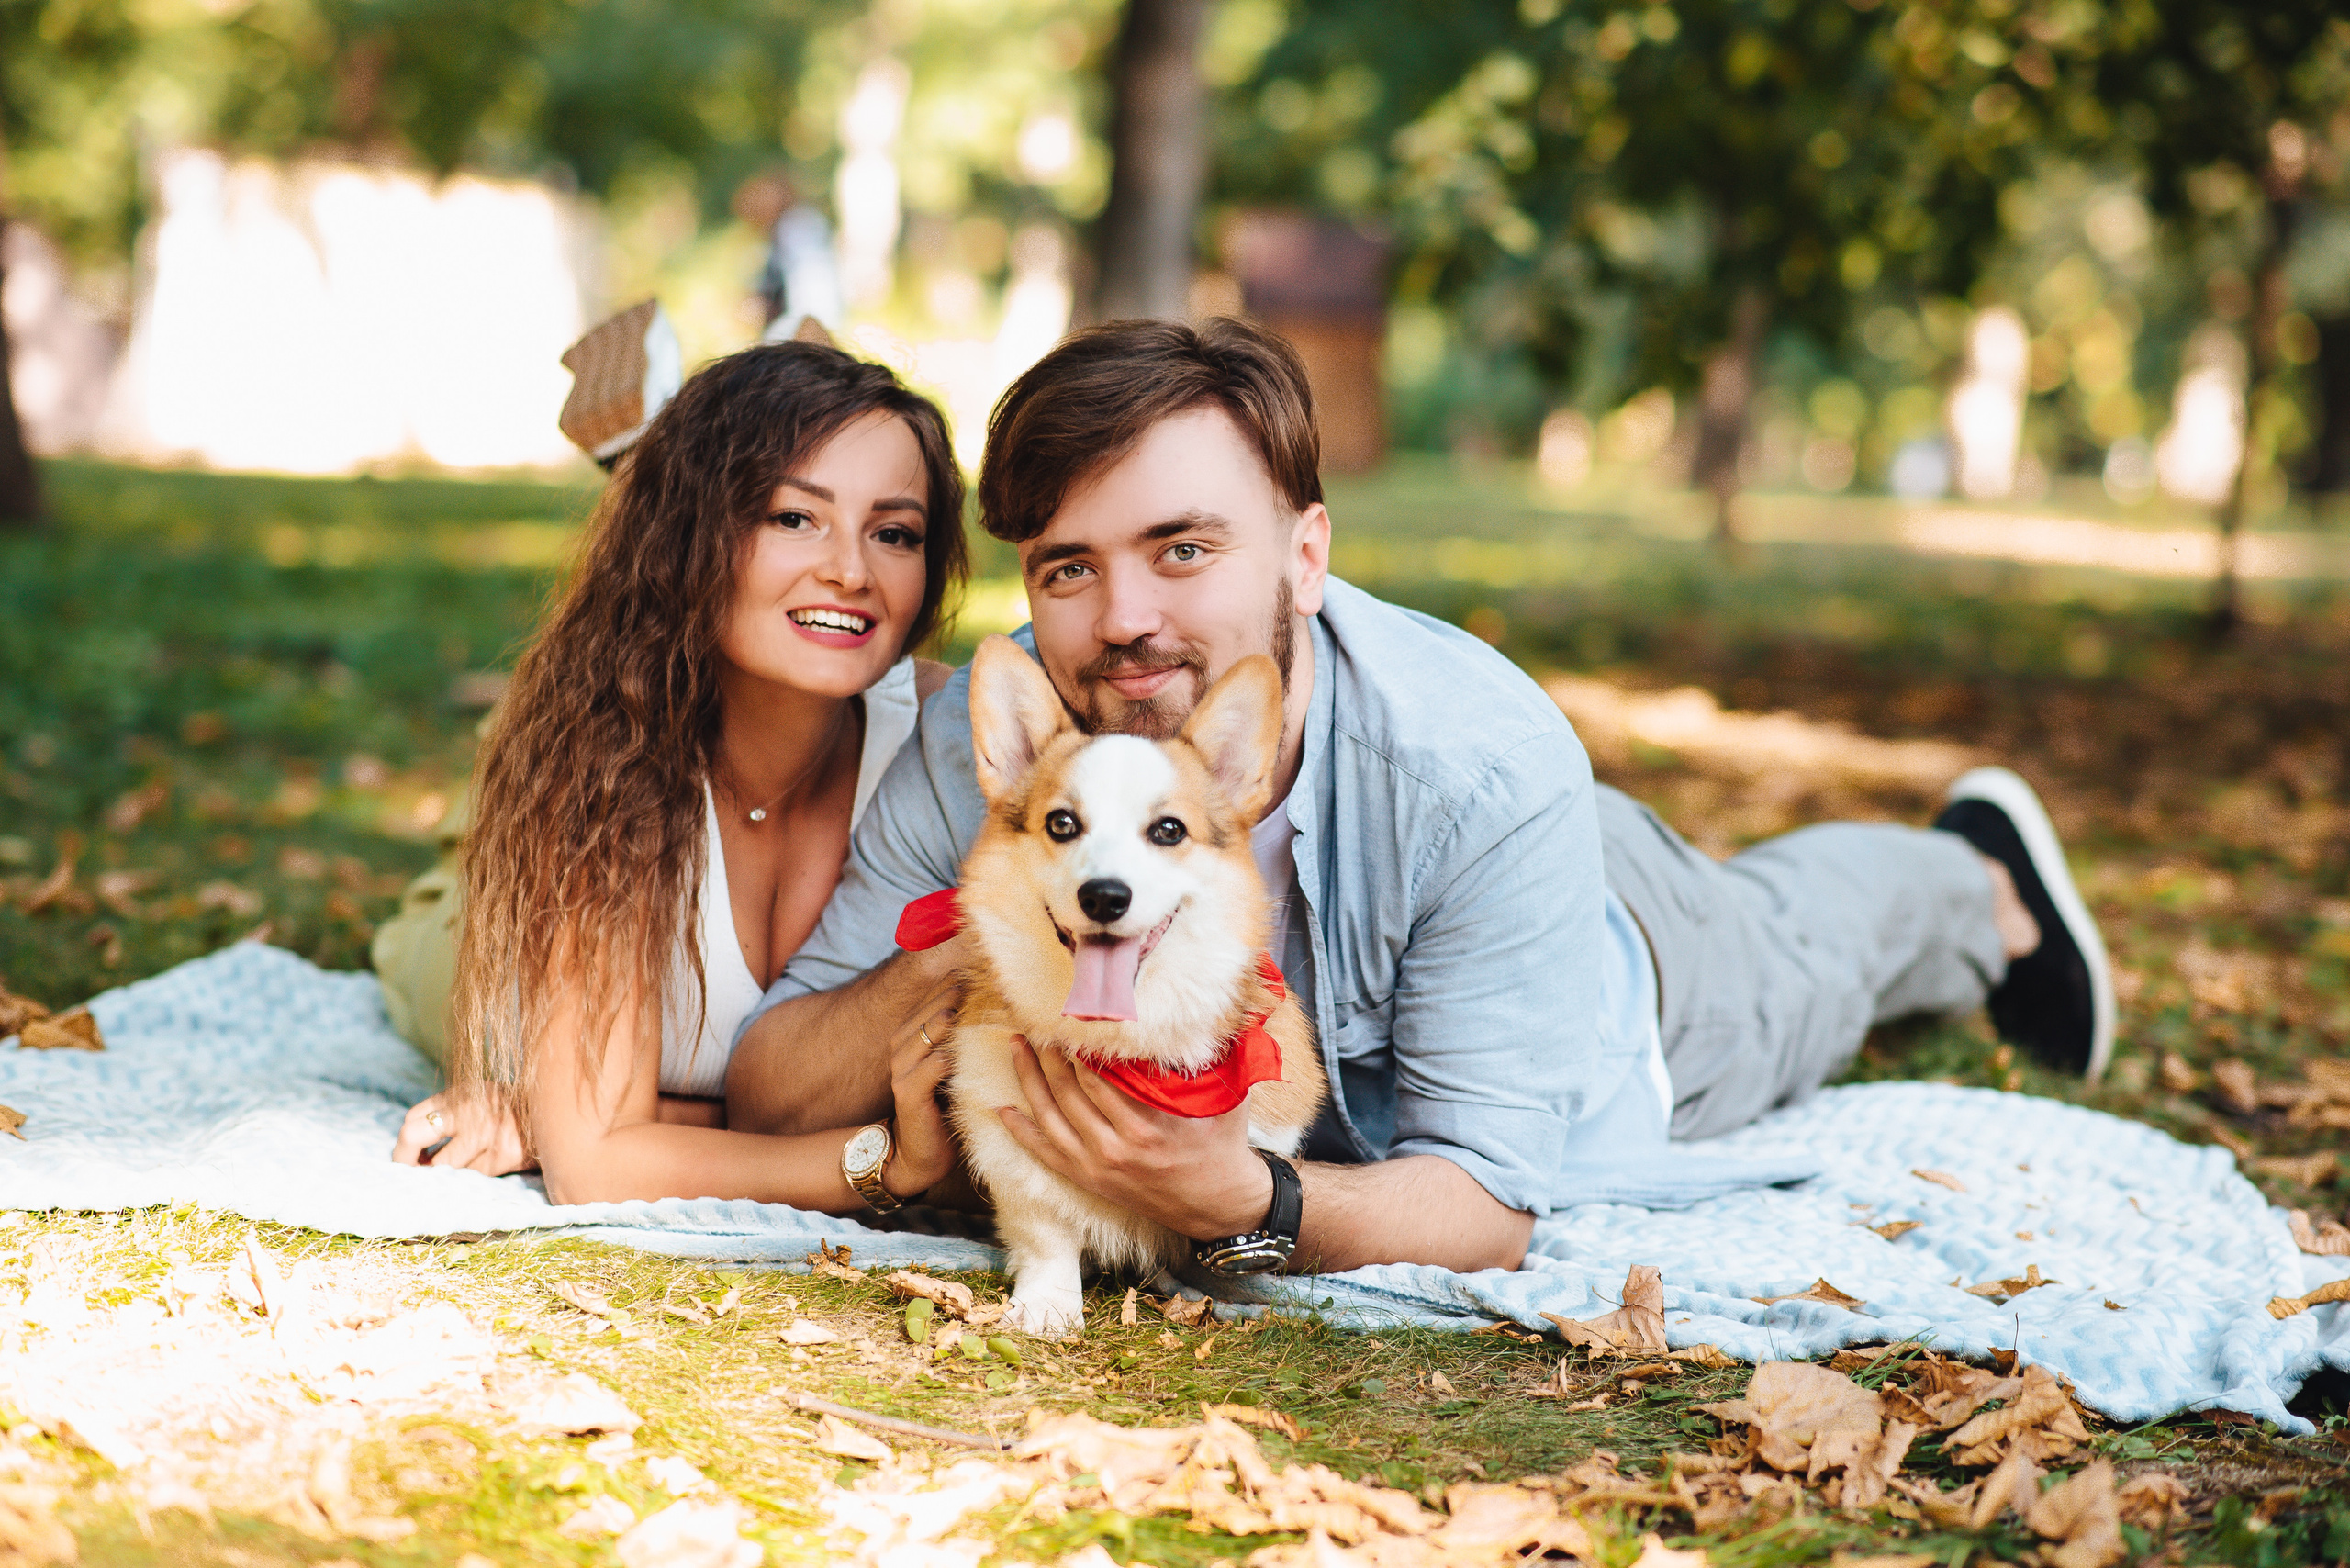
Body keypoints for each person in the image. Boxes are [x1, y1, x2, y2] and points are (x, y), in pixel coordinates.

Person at [726, 317, 2111, 1276]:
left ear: (1305, 554)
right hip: (1488, 868)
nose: (1123, 621)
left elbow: (1491, 1205)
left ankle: (1982, 880)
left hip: (1641, 981)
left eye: (1184, 548)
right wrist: (1022, 921)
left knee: (1803, 949)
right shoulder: (1021, 746)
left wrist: (1247, 1210)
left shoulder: (1481, 767)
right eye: (1069, 567)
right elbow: (773, 1076)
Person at [382, 338, 973, 1213]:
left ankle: (680, 444)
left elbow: (605, 1137)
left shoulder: (943, 741)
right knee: (460, 916)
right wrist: (882, 1163)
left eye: (894, 533)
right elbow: (599, 1166)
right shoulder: (603, 758)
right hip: (463, 928)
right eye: (792, 516)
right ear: (694, 538)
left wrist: (649, 1119)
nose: (852, 571)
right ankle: (647, 466)